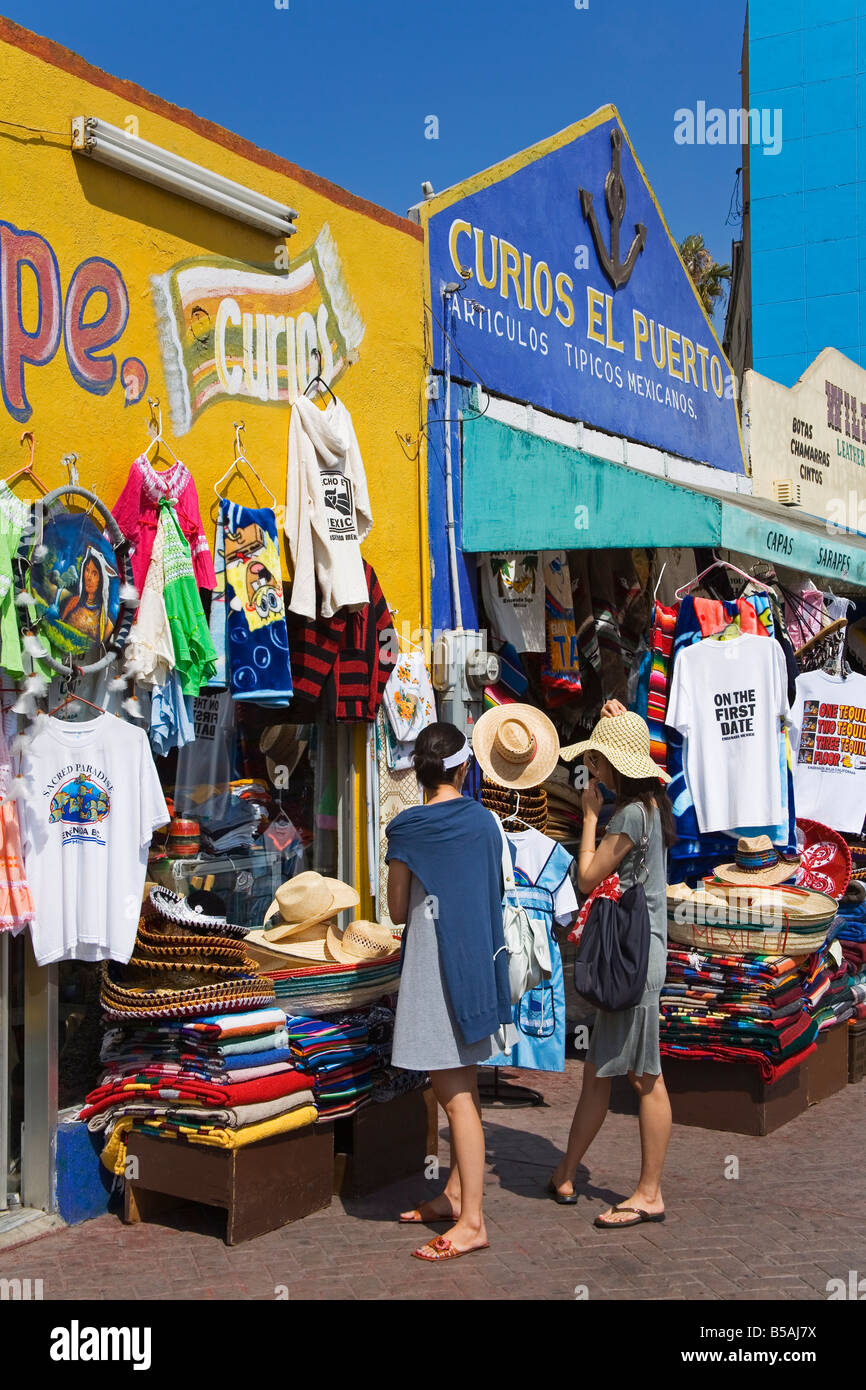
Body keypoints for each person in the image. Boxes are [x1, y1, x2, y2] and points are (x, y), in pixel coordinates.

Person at [386, 721, 513, 1262]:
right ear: (464, 769)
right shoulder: (485, 823)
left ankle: (473, 1222)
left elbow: (395, 910)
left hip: (436, 971)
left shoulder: (407, 827)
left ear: (420, 772)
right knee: (465, 1093)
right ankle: (457, 1195)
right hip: (478, 970)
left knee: (454, 1098)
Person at [550, 700, 676, 1229]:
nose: (591, 768)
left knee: (646, 1077)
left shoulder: (626, 814)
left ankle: (649, 1192)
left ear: (614, 765)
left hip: (634, 958)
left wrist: (587, 816)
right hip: (637, 953)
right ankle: (566, 1171)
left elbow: (585, 877)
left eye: (597, 759)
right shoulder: (649, 806)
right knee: (600, 1072)